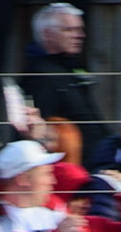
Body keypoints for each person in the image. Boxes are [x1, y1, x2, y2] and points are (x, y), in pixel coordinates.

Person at [20, 2, 104, 159]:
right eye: (69, 30)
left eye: (80, 30)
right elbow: (36, 133)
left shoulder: (69, 69)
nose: (79, 35)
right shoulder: (40, 77)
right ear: (47, 35)